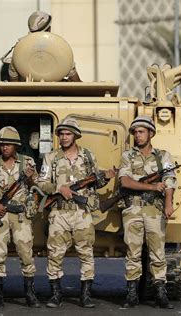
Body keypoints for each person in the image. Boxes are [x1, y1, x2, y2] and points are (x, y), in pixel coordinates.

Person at [37, 117, 115, 308]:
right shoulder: (51, 158)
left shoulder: (88, 157)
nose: (64, 137)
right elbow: (40, 183)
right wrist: (58, 188)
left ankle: (86, 295)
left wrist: (106, 177)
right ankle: (56, 295)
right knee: (54, 254)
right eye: (61, 134)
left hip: (82, 213)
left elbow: (95, 181)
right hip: (59, 213)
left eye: (68, 134)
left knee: (86, 253)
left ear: (75, 136)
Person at [118, 115, 176, 309]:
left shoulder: (163, 157)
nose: (138, 135)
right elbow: (125, 181)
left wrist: (168, 204)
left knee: (157, 253)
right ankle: (132, 293)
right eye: (135, 132)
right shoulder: (128, 156)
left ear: (151, 133)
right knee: (132, 252)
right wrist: (151, 187)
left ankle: (161, 293)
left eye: (141, 132)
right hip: (133, 209)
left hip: (154, 210)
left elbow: (169, 181)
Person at [0, 126, 41, 308]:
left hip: (20, 215)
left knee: (25, 252)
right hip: (0, 215)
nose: (5, 148)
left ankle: (30, 293)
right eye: (2, 144)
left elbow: (36, 186)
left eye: (8, 144)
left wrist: (31, 177)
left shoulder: (27, 163)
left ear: (16, 146)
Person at [3, 11, 81, 82]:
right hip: (54, 94)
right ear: (49, 29)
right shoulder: (60, 47)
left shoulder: (20, 49)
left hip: (29, 93)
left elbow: (14, 82)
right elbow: (75, 80)